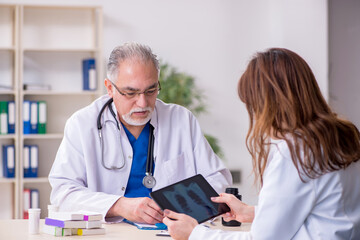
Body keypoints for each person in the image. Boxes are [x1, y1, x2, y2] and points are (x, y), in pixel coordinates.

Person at [163, 48, 360, 239]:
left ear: (268, 103)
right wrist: (254, 212)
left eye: (253, 105)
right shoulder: (341, 135)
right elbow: (323, 212)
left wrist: (194, 234)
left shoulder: (295, 152)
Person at [48, 42, 232, 224]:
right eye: (131, 93)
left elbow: (219, 180)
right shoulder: (82, 124)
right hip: (110, 233)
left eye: (151, 90)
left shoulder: (182, 120)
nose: (143, 103)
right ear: (110, 88)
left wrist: (181, 205)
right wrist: (118, 205)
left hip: (170, 233)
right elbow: (63, 193)